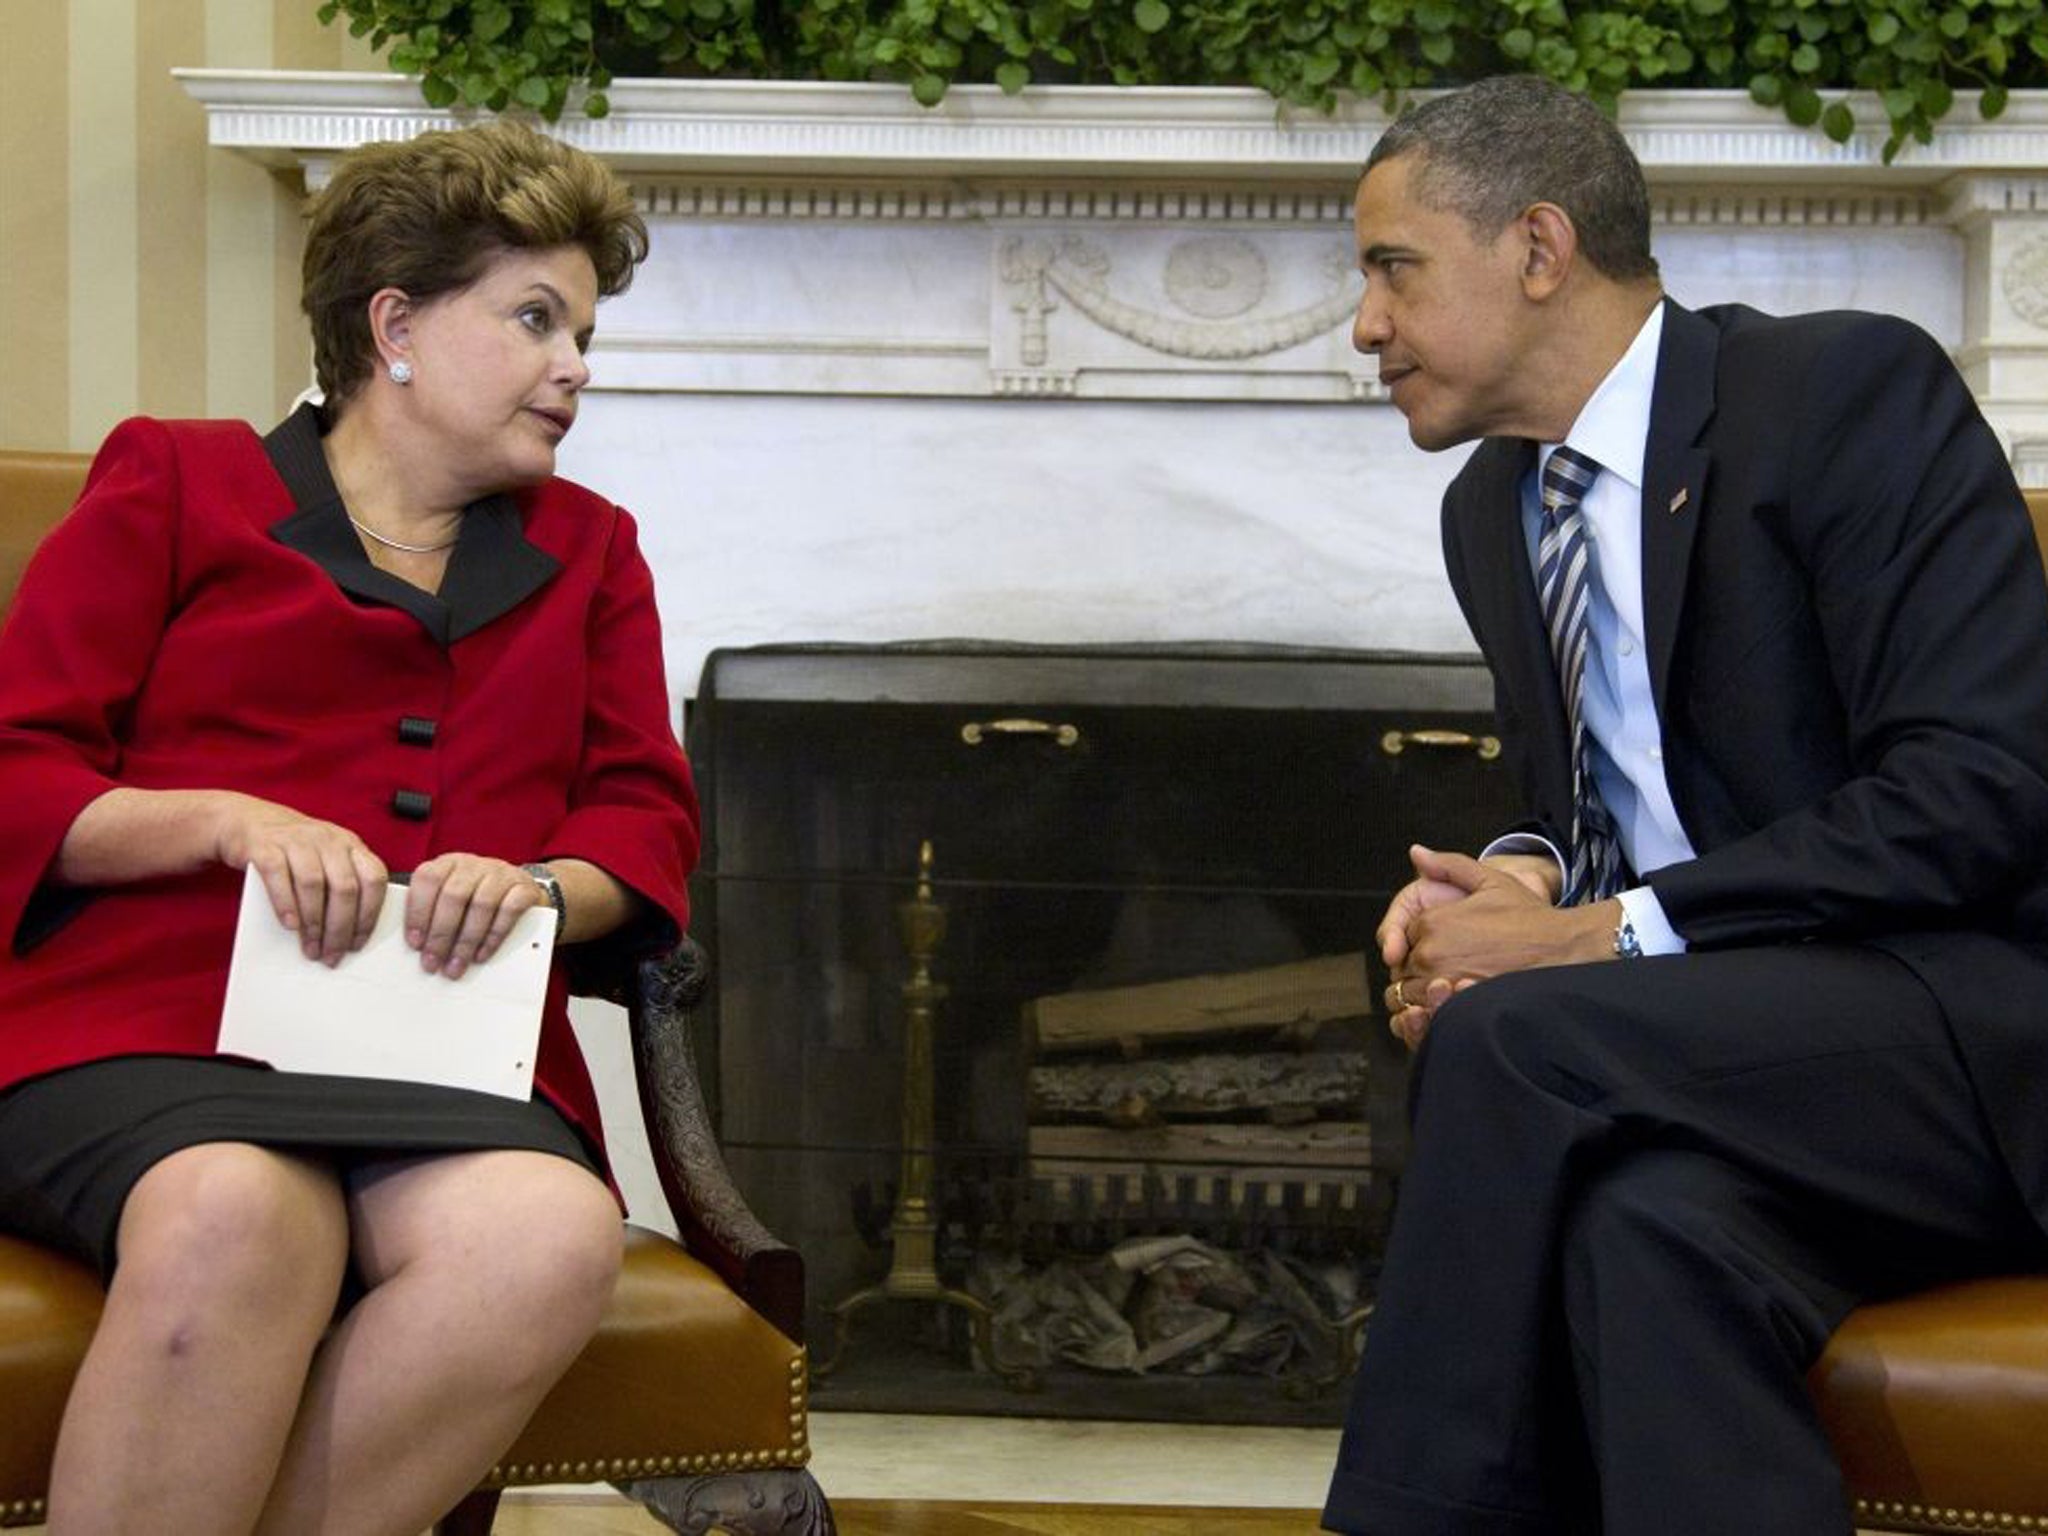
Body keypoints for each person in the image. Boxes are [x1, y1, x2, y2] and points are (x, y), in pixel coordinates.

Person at [1324, 74, 2048, 1536]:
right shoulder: (1493, 509)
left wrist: (1599, 941)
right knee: (1645, 1237)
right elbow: (1600, 805)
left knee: (1510, 1044)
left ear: (1538, 248)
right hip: (1728, 1068)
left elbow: (1978, 795)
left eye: (1391, 268)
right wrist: (1520, 882)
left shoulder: (1841, 396)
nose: (1364, 326)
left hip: (1961, 1038)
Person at [0, 121, 697, 1536]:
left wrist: (540, 885)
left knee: (550, 1239)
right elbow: (17, 762)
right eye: (534, 318)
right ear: (396, 325)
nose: (577, 364)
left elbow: (642, 813)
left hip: (445, 1051)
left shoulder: (597, 551)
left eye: (583, 328)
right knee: (242, 1215)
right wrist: (214, 822)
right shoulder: (176, 482)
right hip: (144, 1033)